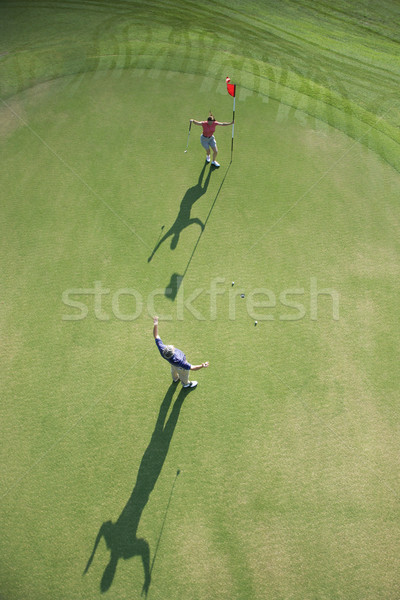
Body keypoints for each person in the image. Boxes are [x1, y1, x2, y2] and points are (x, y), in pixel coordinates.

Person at [153, 316, 209, 388]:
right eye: (172, 347)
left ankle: (175, 379)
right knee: (184, 375)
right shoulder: (179, 360)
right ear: (173, 353)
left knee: (173, 370)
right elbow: (192, 367)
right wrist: (202, 366)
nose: (172, 345)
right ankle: (186, 384)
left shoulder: (162, 349)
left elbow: (156, 336)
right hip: (181, 368)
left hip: (173, 364)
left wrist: (155, 324)